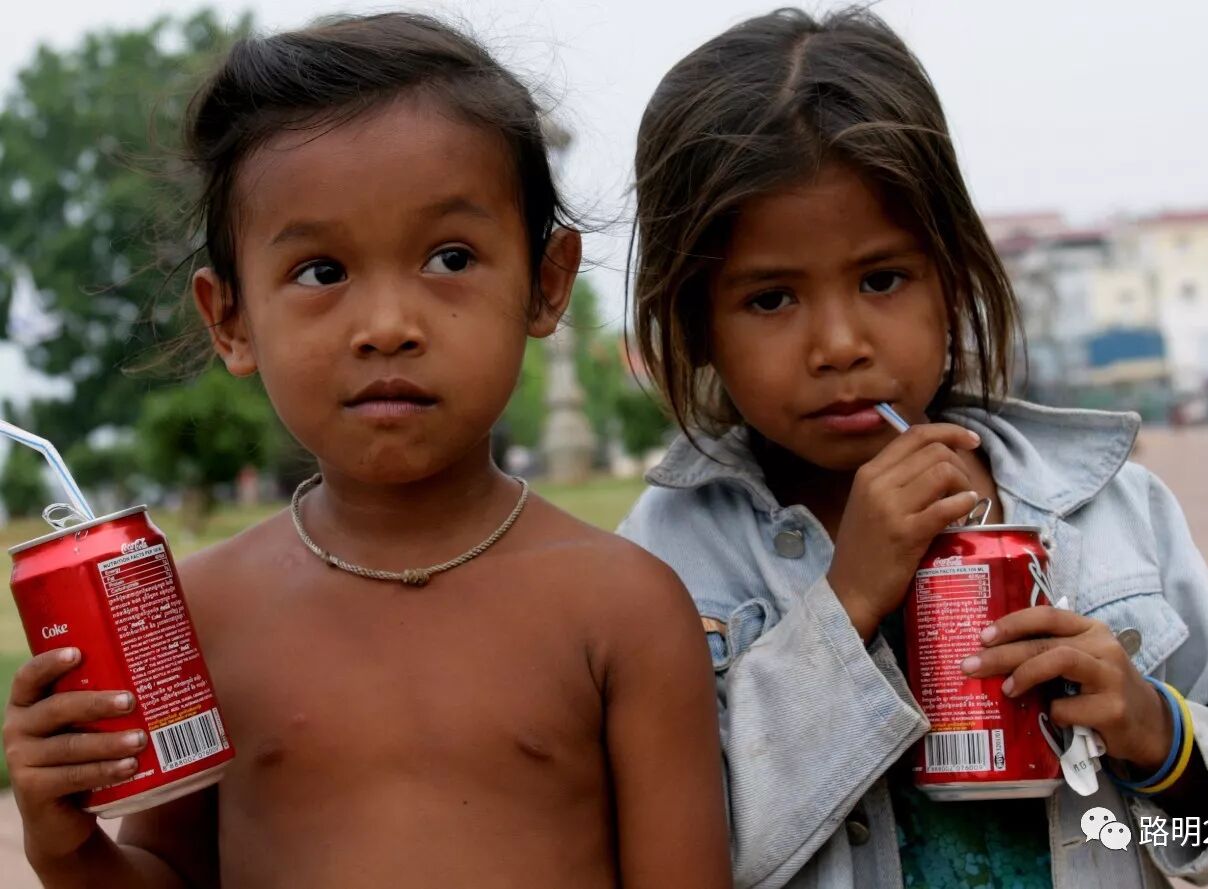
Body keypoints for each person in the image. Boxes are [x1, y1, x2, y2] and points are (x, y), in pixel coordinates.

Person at [2, 13, 730, 889]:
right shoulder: (200, 612)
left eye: (449, 258)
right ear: (230, 318)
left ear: (546, 283)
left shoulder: (626, 609)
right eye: (322, 271)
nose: (387, 326)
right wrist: (70, 848)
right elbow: (166, 870)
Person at [619, 7, 1208, 889]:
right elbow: (690, 854)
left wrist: (1156, 732)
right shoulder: (659, 562)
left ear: (953, 277)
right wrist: (845, 606)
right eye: (771, 298)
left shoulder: (1108, 511)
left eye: (882, 278)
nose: (840, 345)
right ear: (695, 324)